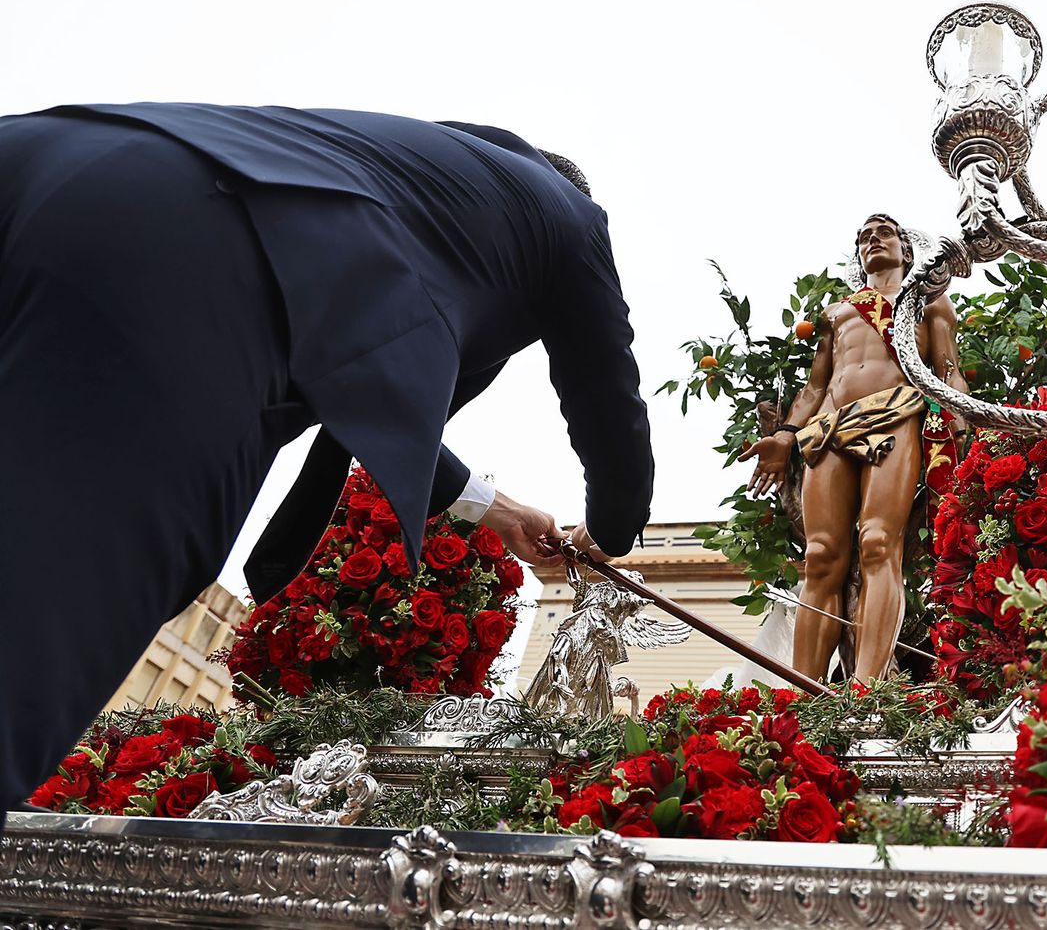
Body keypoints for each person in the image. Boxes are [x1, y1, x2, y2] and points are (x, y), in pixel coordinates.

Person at [0, 103, 654, 820]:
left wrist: (493, 511)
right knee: (51, 612)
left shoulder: (404, 173)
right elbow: (608, 399)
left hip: (47, 153)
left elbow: (370, 403)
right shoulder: (569, 218)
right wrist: (611, 531)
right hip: (180, 272)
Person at [739, 214, 963, 683]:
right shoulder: (838, 312)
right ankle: (802, 697)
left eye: (884, 232)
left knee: (880, 543)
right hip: (828, 429)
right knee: (820, 556)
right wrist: (784, 436)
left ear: (905, 248)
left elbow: (947, 368)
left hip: (895, 415)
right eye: (864, 237)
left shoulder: (928, 300)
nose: (872, 240)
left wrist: (963, 421)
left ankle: (867, 690)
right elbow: (814, 388)